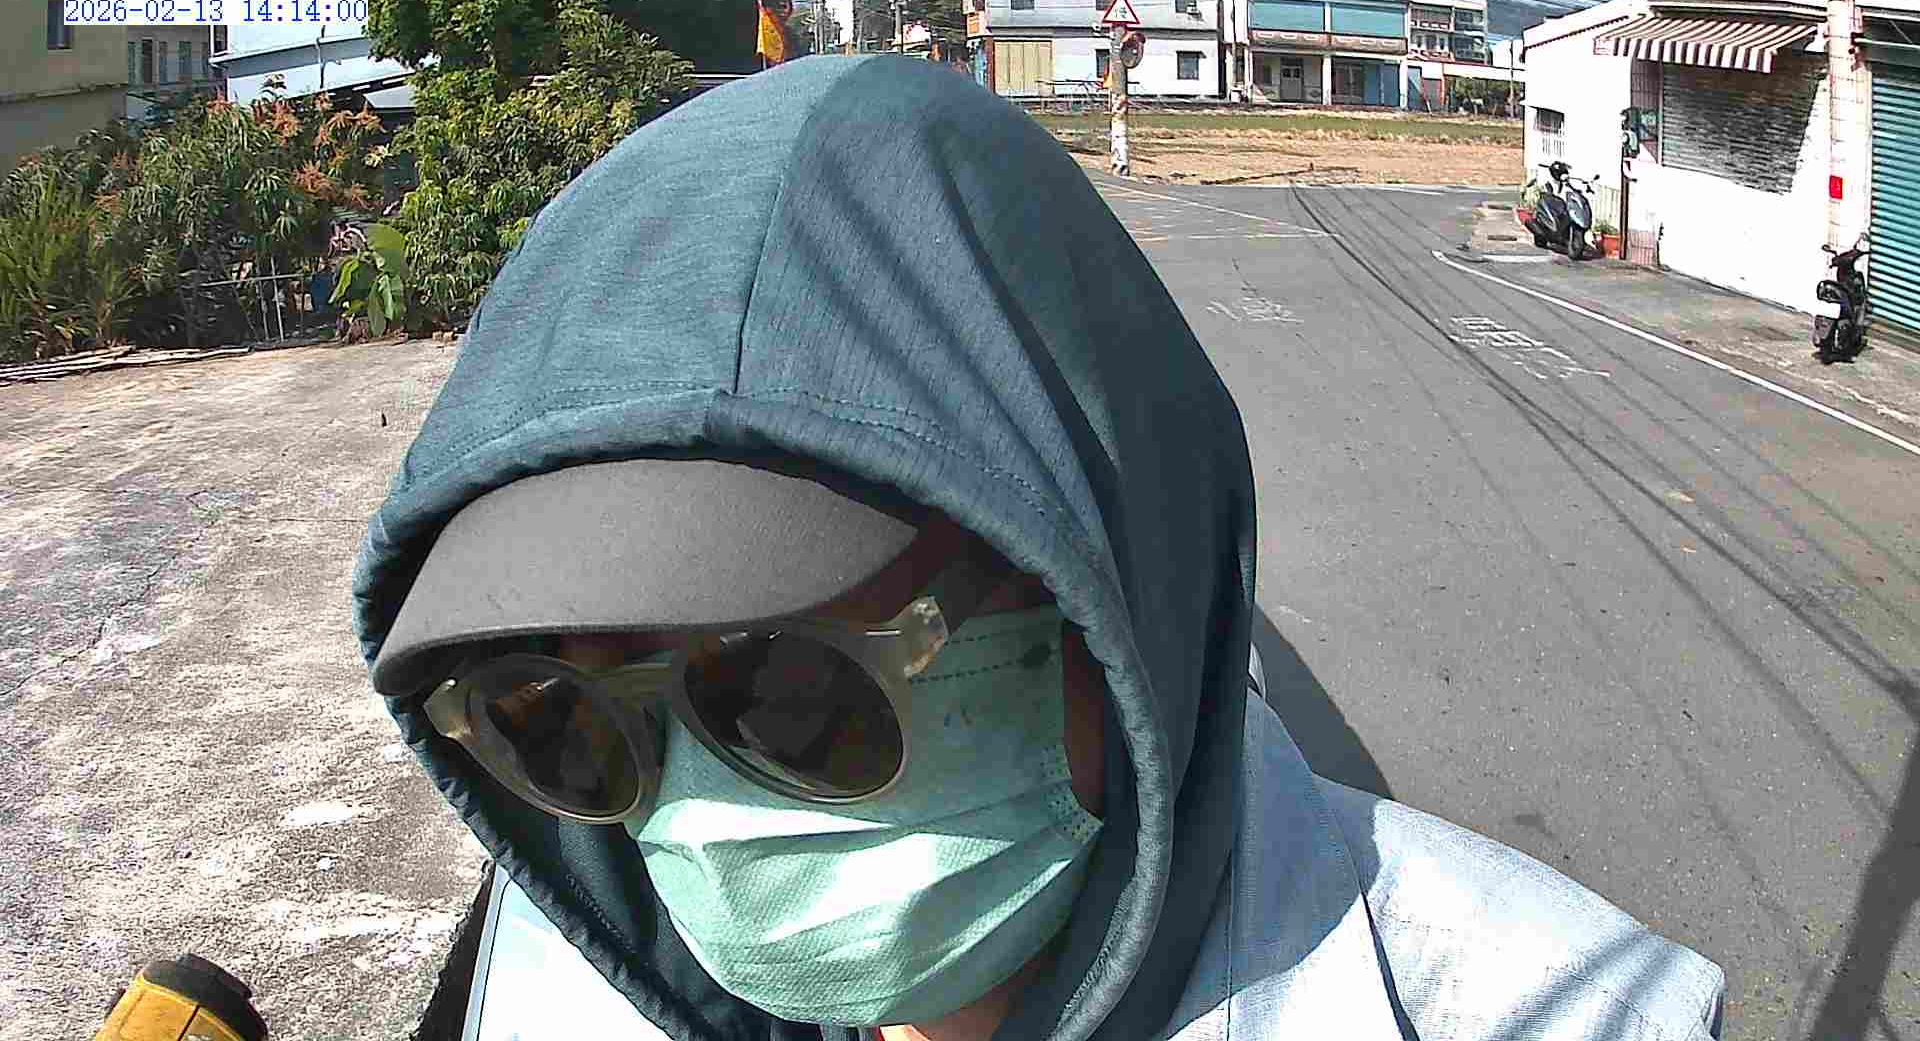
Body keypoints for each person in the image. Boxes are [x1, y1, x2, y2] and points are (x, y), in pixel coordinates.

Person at [353, 55, 1725, 1041]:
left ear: (1101, 588)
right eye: (560, 727)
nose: (696, 823)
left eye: (784, 692)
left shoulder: (1568, 1011)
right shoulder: (553, 992)